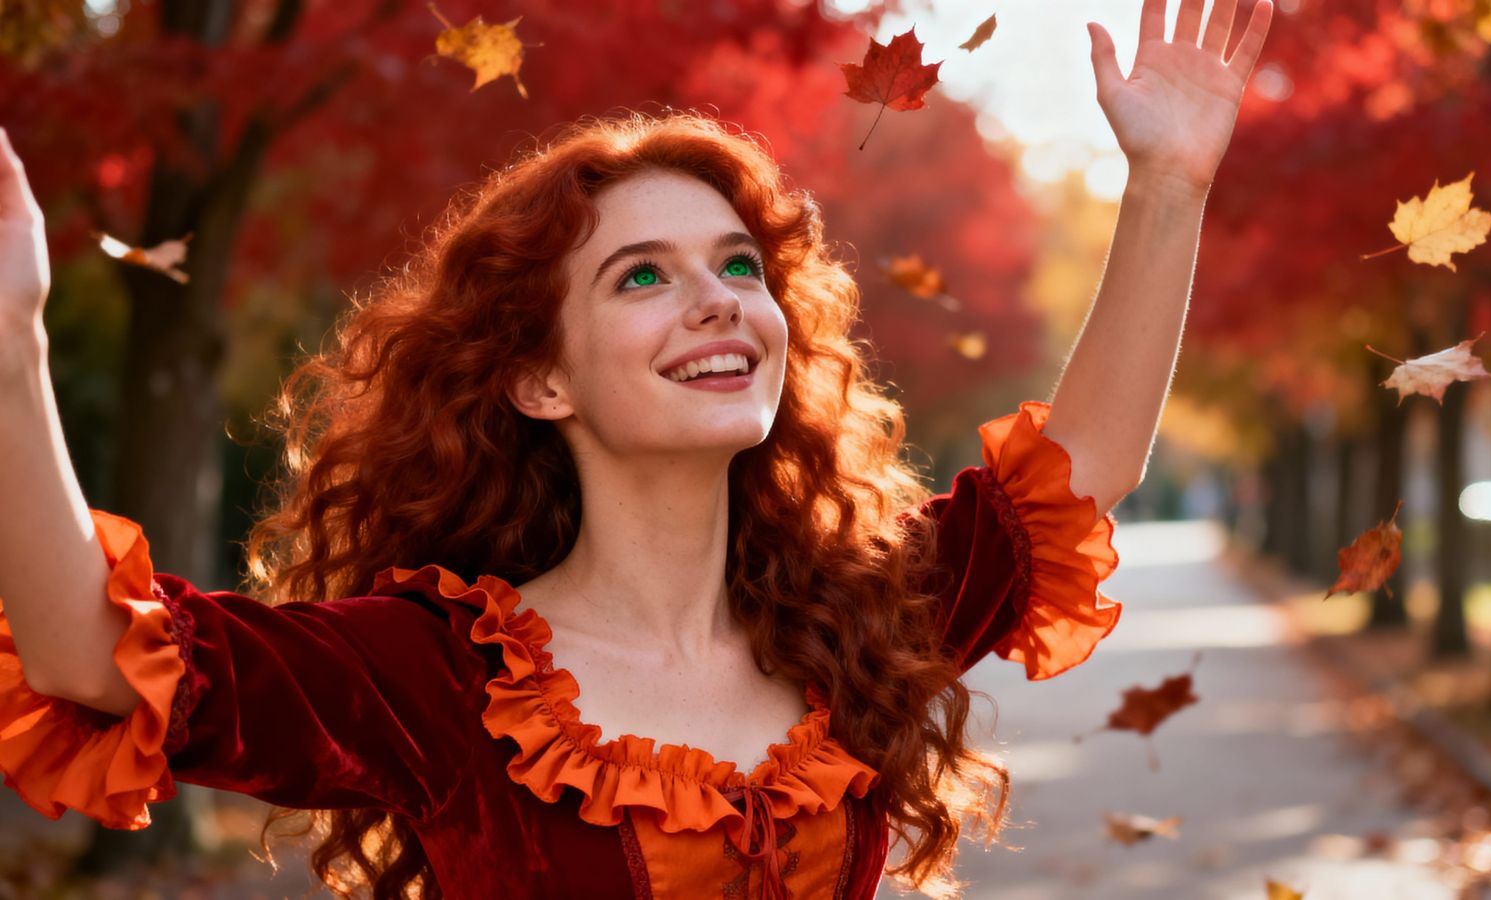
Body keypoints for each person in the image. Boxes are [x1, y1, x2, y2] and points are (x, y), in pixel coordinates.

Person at [0, 1, 1272, 896]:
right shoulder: (434, 674)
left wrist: (1167, 186)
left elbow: (1080, 472)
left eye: (737, 265)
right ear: (539, 378)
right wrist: (13, 353)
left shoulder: (860, 617)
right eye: (641, 278)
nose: (719, 299)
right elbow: (91, 657)